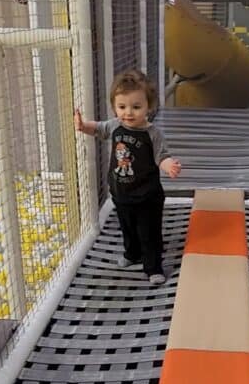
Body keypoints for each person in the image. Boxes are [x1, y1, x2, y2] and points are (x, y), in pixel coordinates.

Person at [74, 70, 181, 285]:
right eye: (122, 107)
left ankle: (153, 267)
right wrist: (83, 126)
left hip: (147, 196)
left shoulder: (153, 134)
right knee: (128, 228)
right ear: (115, 106)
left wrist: (169, 165)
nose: (128, 113)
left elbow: (162, 156)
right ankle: (132, 254)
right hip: (121, 193)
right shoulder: (115, 126)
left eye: (136, 107)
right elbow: (99, 128)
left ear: (148, 107)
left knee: (148, 232)